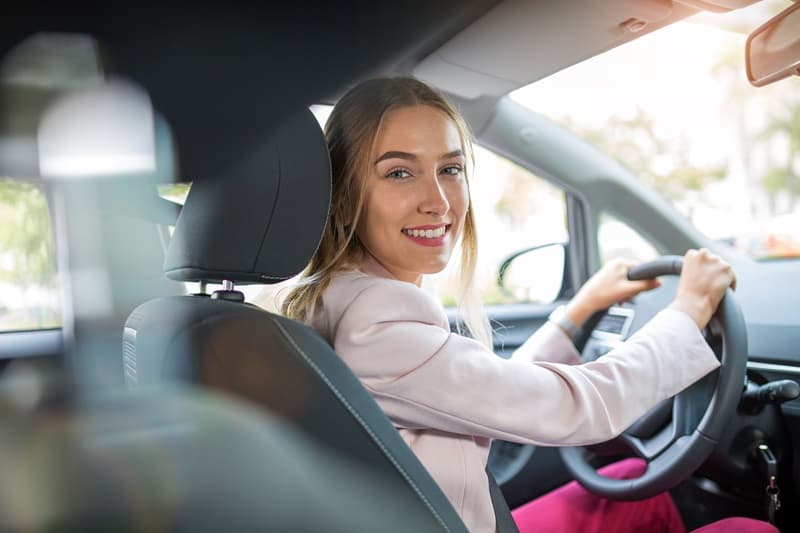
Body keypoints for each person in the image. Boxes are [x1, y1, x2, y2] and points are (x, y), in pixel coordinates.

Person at [282, 77, 776, 533]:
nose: (439, 200)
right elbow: (577, 409)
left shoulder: (334, 298)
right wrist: (687, 314)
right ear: (344, 195)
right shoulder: (377, 324)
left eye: (450, 168)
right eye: (399, 173)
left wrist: (576, 312)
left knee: (628, 477)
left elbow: (483, 391)